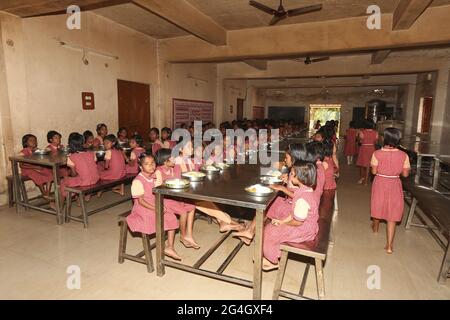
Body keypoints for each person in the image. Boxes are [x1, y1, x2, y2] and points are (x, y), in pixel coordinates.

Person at [262, 162, 319, 271]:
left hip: (303, 229)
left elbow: (297, 222)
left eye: (292, 173)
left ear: (299, 177)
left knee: (270, 231)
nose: (290, 175)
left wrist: (282, 224)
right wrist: (282, 221)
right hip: (302, 224)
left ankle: (272, 260)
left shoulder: (303, 199)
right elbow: (293, 215)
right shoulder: (304, 190)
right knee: (274, 226)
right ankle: (272, 254)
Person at [126, 154, 181, 260]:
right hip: (143, 207)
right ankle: (163, 243)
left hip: (154, 203)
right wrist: (156, 208)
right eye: (147, 164)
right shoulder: (138, 181)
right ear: (141, 167)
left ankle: (170, 247)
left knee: (171, 217)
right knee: (159, 218)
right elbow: (141, 201)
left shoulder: (154, 177)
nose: (151, 166)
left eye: (153, 163)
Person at [370, 128, 410, 254]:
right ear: (398, 139)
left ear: (385, 138)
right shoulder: (404, 155)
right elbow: (405, 174)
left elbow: (374, 171)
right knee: (392, 214)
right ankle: (389, 246)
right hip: (394, 183)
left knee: (378, 204)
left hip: (380, 182)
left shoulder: (377, 153)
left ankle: (375, 227)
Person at [154, 148, 199, 249]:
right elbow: (157, 189)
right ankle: (183, 236)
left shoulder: (174, 168)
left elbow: (179, 180)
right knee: (183, 212)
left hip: (175, 197)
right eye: (173, 158)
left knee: (192, 206)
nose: (175, 159)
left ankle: (189, 234)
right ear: (165, 161)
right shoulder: (159, 171)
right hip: (165, 199)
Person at [59, 133, 100, 205]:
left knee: (63, 181)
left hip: (85, 181)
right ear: (83, 142)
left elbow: (74, 174)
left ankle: (60, 206)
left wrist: (69, 175)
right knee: (79, 176)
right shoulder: (91, 153)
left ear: (70, 144)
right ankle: (79, 199)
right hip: (95, 178)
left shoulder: (71, 156)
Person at [19, 134, 53, 199]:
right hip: (27, 170)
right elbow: (21, 165)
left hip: (36, 167)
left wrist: (40, 152)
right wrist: (35, 167)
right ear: (26, 142)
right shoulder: (24, 151)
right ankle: (44, 194)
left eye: (35, 140)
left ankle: (47, 194)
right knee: (37, 175)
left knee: (49, 172)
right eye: (31, 140)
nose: (34, 142)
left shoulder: (36, 151)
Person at [356, 119, 379, 185]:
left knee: (362, 164)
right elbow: (376, 142)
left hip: (364, 148)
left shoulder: (362, 132)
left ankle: (362, 178)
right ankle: (366, 181)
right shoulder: (376, 132)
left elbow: (360, 141)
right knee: (369, 165)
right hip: (372, 148)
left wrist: (360, 140)